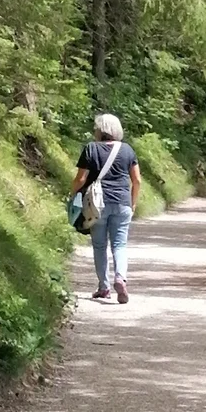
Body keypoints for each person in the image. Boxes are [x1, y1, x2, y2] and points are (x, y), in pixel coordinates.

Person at [71, 113, 141, 304]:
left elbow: (81, 179)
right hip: (122, 203)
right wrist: (133, 203)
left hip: (97, 205)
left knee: (100, 246)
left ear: (100, 130)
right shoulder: (127, 150)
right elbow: (137, 180)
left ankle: (104, 287)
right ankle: (120, 277)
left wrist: (73, 196)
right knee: (119, 244)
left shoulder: (91, 148)